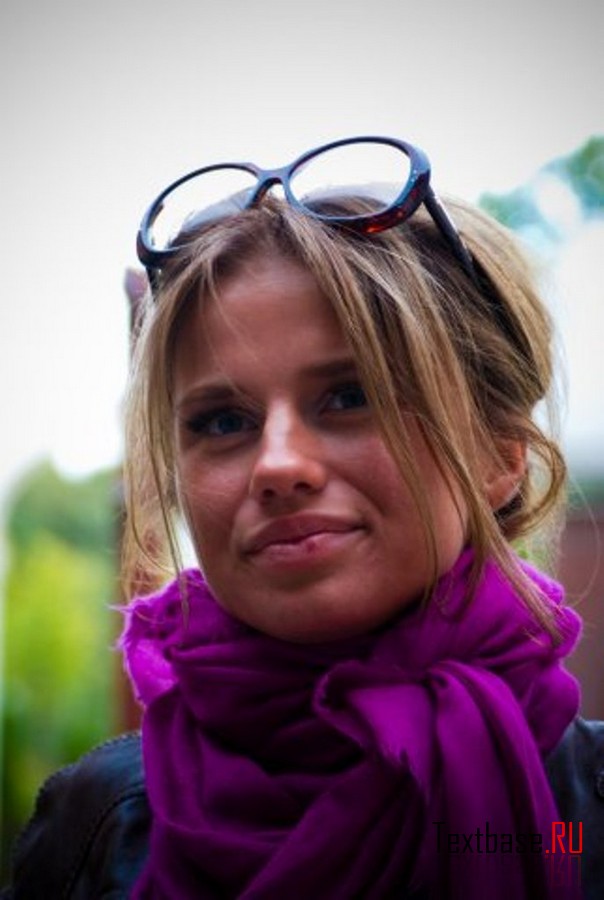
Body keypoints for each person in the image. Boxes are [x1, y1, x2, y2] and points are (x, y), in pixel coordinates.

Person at [3, 136, 604, 899]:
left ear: (499, 455)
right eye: (223, 421)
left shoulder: (584, 813)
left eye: (351, 396)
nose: (278, 464)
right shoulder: (94, 829)